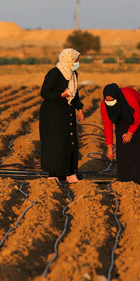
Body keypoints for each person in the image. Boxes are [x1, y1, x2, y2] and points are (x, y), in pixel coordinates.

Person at [40, 48, 84, 183]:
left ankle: (70, 173)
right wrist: (61, 95)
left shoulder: (73, 74)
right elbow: (45, 93)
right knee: (56, 143)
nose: (76, 63)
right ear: (68, 60)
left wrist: (79, 109)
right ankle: (54, 174)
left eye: (77, 61)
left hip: (67, 112)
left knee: (70, 142)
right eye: (75, 60)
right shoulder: (54, 73)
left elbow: (74, 93)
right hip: (53, 114)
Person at [100, 83, 140, 183]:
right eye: (107, 101)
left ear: (117, 97)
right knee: (123, 145)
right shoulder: (104, 105)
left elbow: (137, 115)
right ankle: (125, 177)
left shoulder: (129, 98)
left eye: (112, 100)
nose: (110, 103)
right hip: (123, 116)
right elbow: (107, 126)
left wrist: (130, 133)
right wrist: (109, 147)